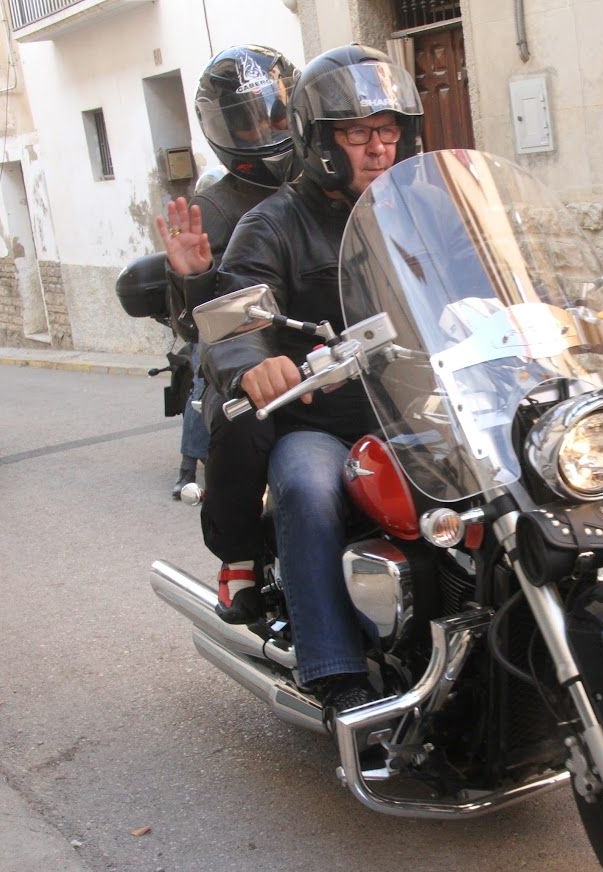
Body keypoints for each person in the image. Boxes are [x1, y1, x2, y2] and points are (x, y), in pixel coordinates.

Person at [164, 44, 425, 716]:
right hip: (322, 420)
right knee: (308, 489)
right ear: (320, 139)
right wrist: (255, 361)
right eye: (359, 132)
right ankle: (337, 673)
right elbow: (231, 317)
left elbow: (488, 277)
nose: (378, 148)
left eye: (388, 131)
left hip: (418, 407)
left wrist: (575, 313)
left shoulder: (414, 215)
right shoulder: (272, 222)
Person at [156, 45, 299, 621]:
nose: (263, 128)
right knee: (240, 418)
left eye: (276, 113)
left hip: (336, 345)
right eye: (245, 118)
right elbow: (193, 320)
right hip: (249, 352)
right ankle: (238, 554)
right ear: (222, 127)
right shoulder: (210, 210)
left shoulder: (328, 184)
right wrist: (187, 278)